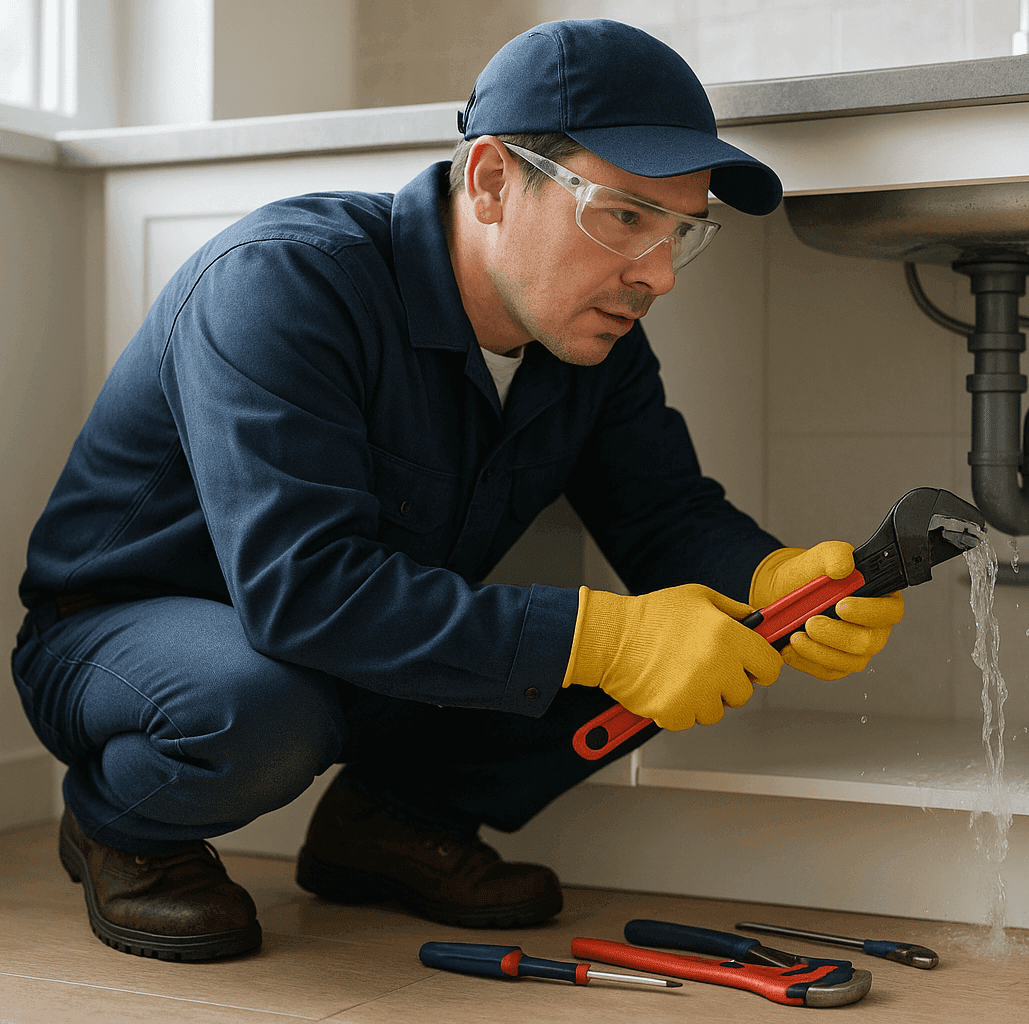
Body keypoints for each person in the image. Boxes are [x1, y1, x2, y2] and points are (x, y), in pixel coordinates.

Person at [10, 19, 904, 963]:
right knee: (266, 702)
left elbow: (663, 514)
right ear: (490, 181)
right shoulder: (284, 281)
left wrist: (775, 582)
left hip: (337, 642)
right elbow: (302, 590)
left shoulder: (589, 335)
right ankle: (125, 826)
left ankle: (390, 825)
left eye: (681, 230)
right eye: (626, 216)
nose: (657, 275)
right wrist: (602, 635)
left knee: (691, 641)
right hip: (127, 644)